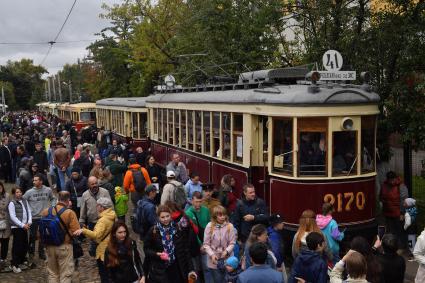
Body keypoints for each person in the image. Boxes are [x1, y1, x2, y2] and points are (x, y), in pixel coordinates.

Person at [143, 205, 197, 283]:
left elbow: (185, 250)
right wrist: (156, 254)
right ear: (158, 217)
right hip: (161, 269)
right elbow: (146, 249)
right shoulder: (153, 231)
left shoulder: (177, 228)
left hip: (176, 266)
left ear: (170, 215)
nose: (165, 219)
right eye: (162, 217)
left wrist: (191, 269)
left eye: (167, 216)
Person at [74, 197, 117, 283]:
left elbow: (96, 235)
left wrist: (83, 230)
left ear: (102, 207)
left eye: (98, 205)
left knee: (104, 274)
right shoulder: (112, 215)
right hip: (111, 247)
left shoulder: (103, 220)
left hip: (103, 250)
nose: (97, 207)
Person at [42, 191, 80, 283]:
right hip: (64, 247)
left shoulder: (46, 211)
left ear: (58, 199)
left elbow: (41, 230)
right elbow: (76, 231)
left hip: (49, 246)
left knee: (52, 274)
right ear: (68, 200)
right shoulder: (70, 213)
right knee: (65, 274)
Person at [23, 173, 55, 261]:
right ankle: (31, 253)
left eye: (36, 180)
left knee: (43, 236)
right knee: (32, 236)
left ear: (41, 181)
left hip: (44, 217)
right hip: (33, 217)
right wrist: (27, 212)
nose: (34, 182)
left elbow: (53, 198)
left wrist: (52, 207)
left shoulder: (48, 190)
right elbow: (22, 201)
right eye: (34, 180)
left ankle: (41, 253)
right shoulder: (29, 192)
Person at [79, 176, 111, 257]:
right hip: (92, 222)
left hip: (104, 221)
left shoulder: (105, 192)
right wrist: (82, 221)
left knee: (105, 240)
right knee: (95, 239)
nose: (94, 185)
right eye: (92, 184)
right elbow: (83, 209)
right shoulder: (85, 195)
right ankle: (96, 253)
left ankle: (105, 255)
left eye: (96, 183)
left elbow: (110, 206)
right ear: (88, 185)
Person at [204, 205, 237, 282]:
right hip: (214, 260)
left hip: (227, 259)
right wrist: (212, 254)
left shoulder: (230, 226)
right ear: (215, 216)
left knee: (228, 279)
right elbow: (206, 244)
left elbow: (232, 243)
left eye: (224, 214)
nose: (223, 217)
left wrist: (226, 251)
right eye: (220, 215)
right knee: (217, 280)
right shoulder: (209, 226)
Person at [185, 191, 212, 282]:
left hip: (206, 243)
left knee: (207, 267)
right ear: (192, 201)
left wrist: (207, 243)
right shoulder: (188, 213)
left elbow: (209, 226)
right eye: (196, 201)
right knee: (196, 269)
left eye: (200, 201)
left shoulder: (206, 210)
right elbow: (193, 233)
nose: (198, 204)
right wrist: (200, 244)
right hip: (195, 244)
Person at [380, 171, 408, 247]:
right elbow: (381, 197)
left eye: (393, 180)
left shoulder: (401, 186)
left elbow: (404, 200)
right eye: (390, 180)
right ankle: (391, 246)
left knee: (399, 230)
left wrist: (402, 213)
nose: (392, 182)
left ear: (395, 178)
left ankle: (401, 246)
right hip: (387, 213)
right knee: (390, 231)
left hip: (398, 213)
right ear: (388, 180)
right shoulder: (384, 185)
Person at [8, 187, 31, 273]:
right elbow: (13, 217)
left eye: (20, 192)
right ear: (14, 194)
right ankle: (14, 264)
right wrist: (22, 225)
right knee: (17, 246)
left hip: (25, 226)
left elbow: (28, 211)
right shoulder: (12, 203)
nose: (19, 194)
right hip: (17, 227)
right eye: (17, 192)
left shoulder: (24, 201)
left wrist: (29, 222)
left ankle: (21, 261)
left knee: (24, 245)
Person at [0, 182, 11, 272]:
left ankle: (3, 259)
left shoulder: (7, 196)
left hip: (6, 221)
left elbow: (9, 207)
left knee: (5, 241)